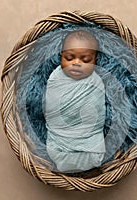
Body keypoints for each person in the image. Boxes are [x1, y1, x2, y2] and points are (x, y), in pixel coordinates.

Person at [44, 30, 106, 173]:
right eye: (70, 57)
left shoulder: (96, 82)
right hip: (59, 138)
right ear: (61, 55)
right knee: (56, 147)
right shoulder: (55, 78)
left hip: (89, 137)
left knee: (94, 149)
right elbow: (51, 105)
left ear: (95, 60)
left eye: (85, 60)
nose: (76, 63)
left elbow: (97, 111)